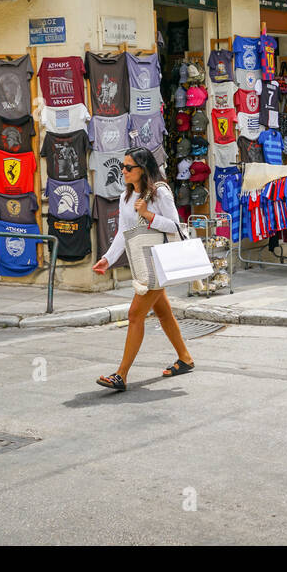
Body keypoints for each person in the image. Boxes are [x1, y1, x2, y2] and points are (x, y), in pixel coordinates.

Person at [92, 147, 195, 391]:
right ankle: (185, 358)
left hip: (158, 262)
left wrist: (148, 214)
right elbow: (123, 233)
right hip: (142, 263)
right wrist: (108, 258)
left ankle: (121, 374)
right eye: (123, 166)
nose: (123, 171)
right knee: (164, 312)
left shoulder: (159, 193)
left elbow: (175, 226)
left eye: (129, 167)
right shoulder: (125, 196)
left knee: (135, 315)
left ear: (143, 169)